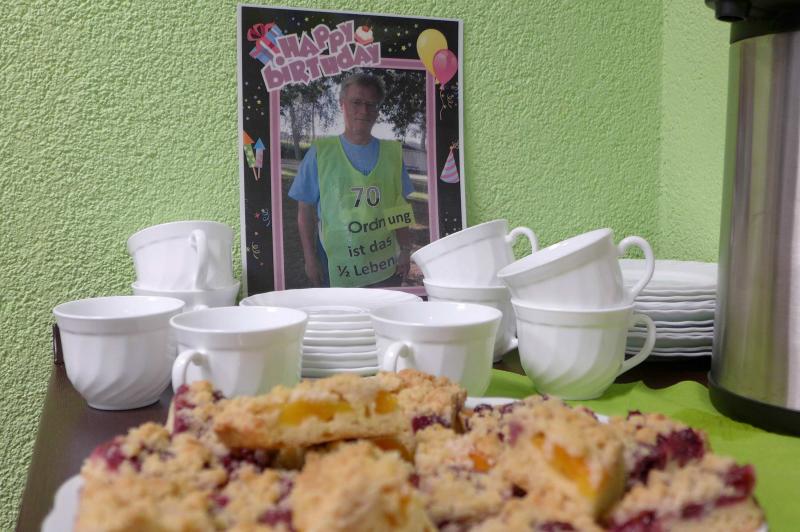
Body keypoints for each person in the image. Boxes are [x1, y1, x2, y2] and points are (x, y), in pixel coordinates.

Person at [289, 73, 415, 288]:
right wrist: (310, 259)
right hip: (337, 267)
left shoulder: (392, 154)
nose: (364, 111)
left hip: (384, 267)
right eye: (356, 102)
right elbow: (305, 211)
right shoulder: (320, 153)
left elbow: (398, 207)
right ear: (342, 105)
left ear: (377, 111)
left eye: (371, 104)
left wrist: (405, 250)